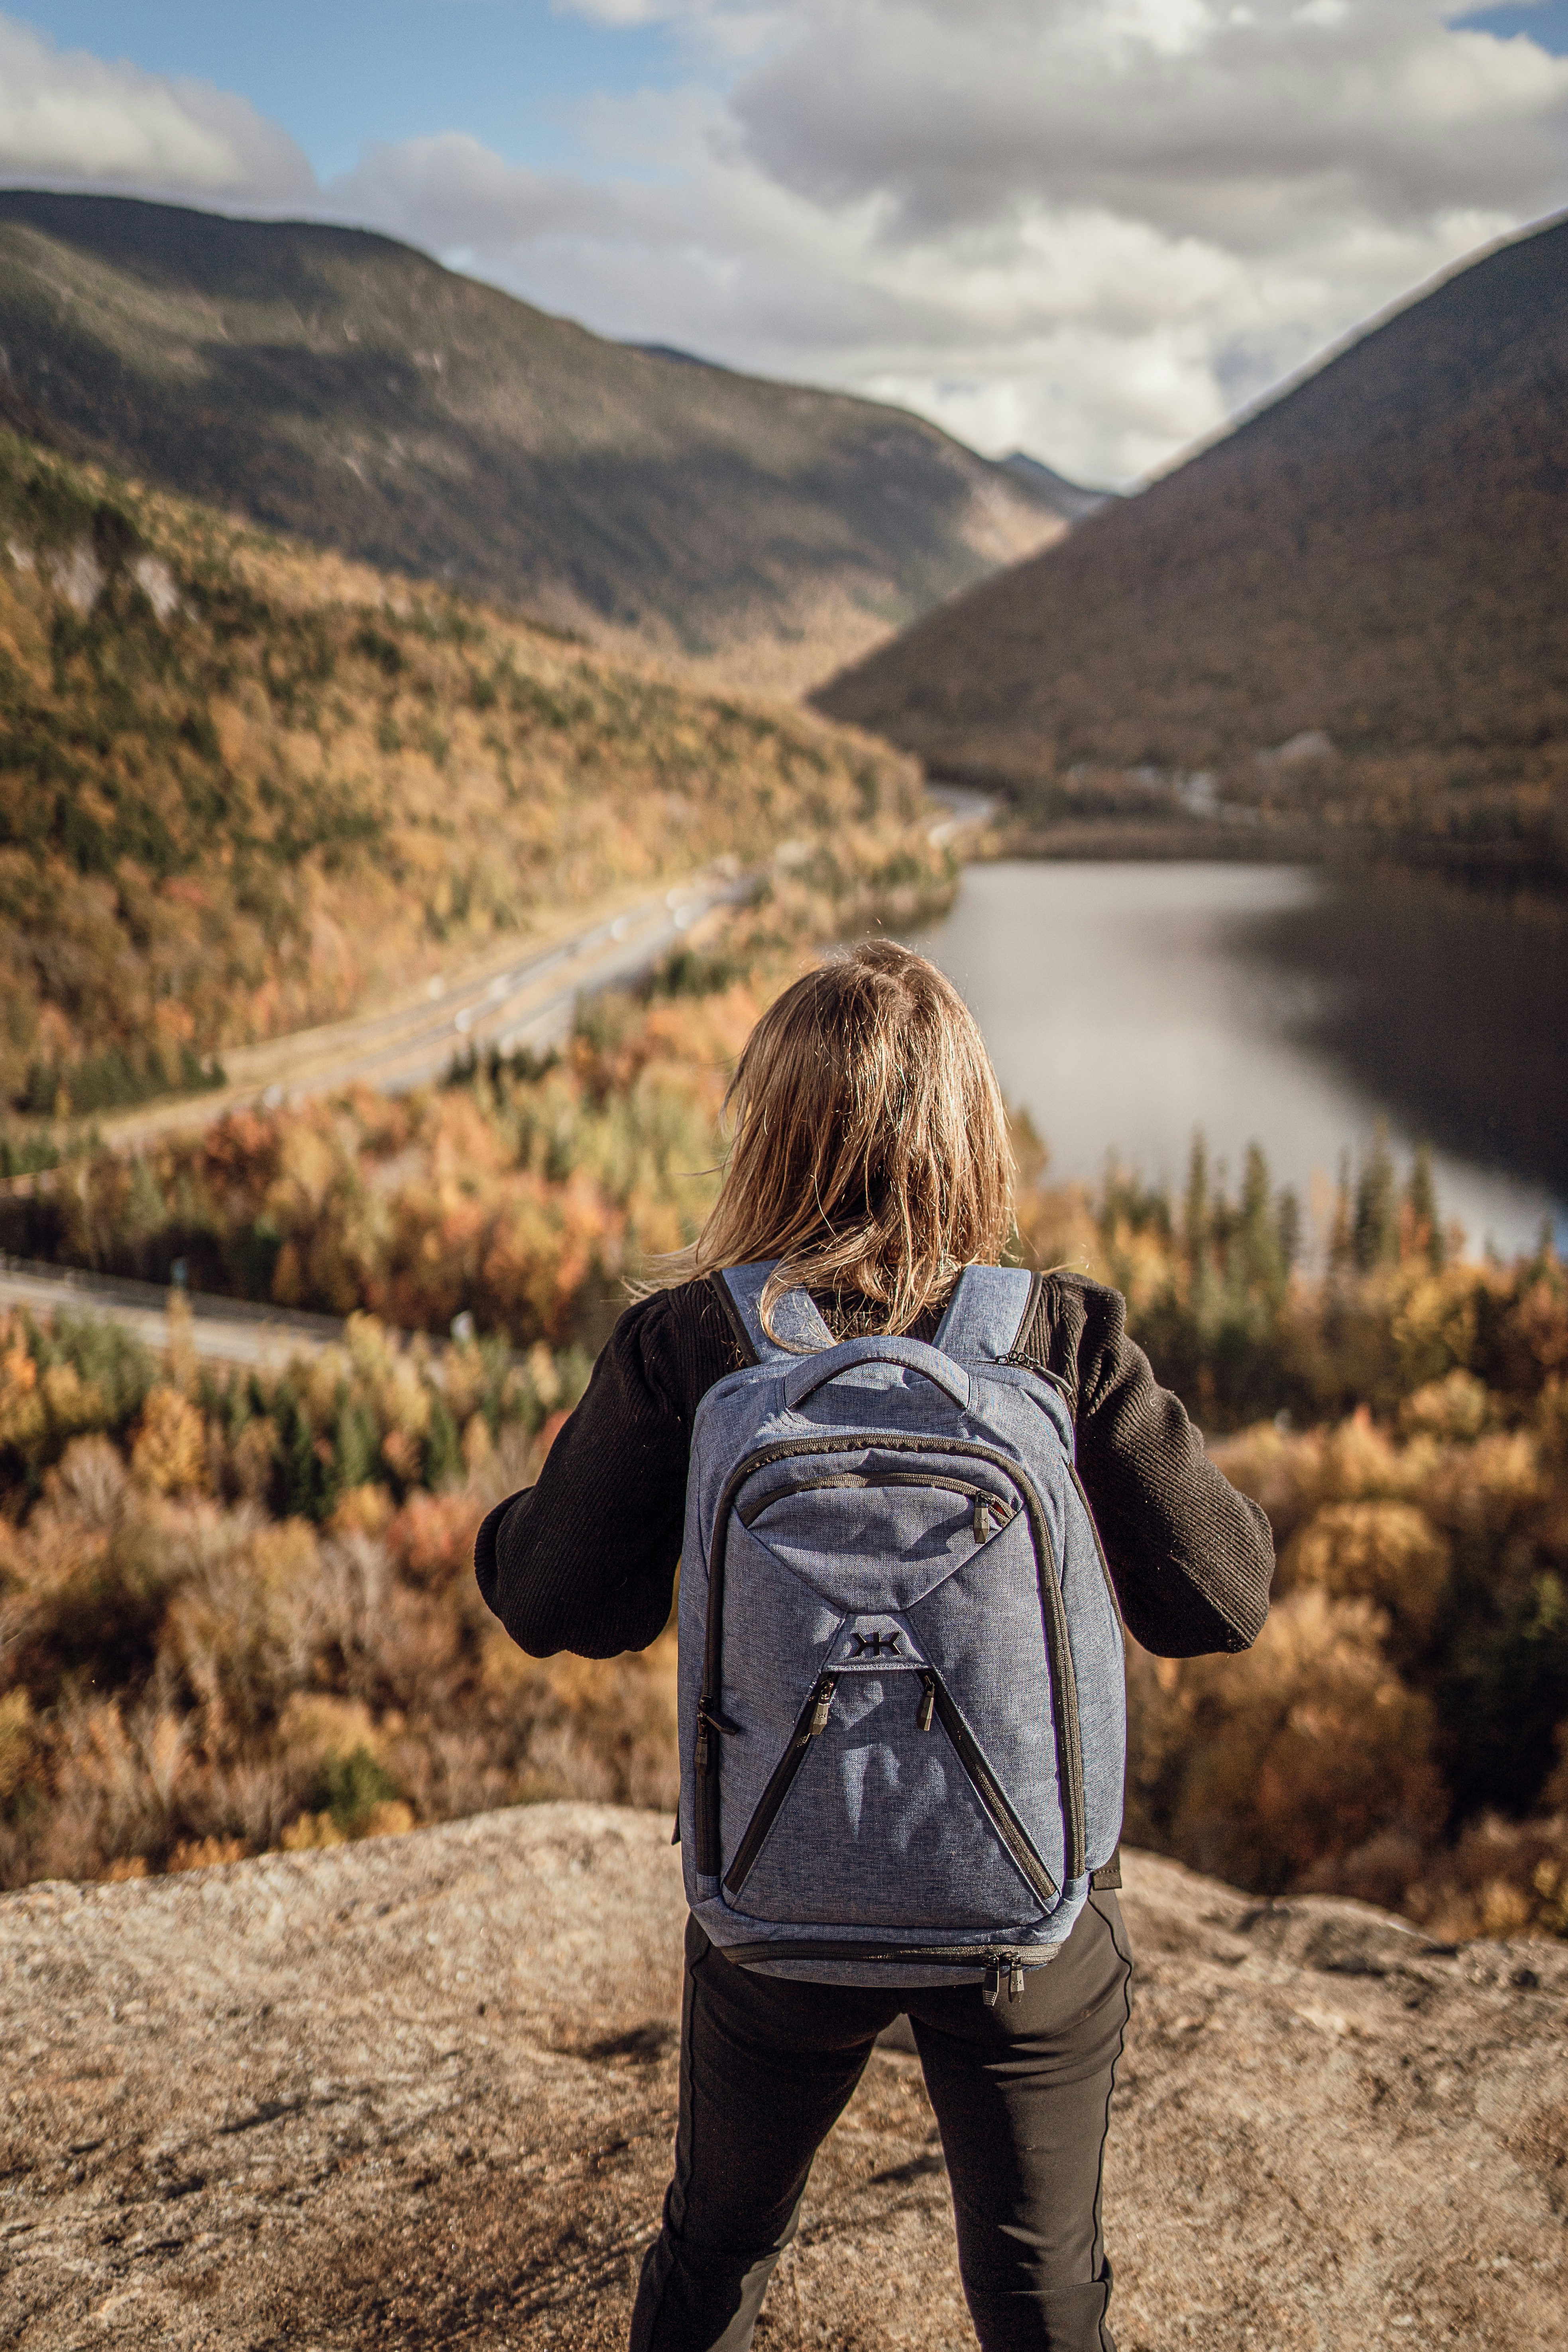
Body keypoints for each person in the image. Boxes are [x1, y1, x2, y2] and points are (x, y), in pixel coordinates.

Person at [476, 939, 1273, 2352]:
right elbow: (1222, 1601)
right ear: (971, 1132)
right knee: (1042, 2298)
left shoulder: (692, 1347)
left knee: (715, 2254)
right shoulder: (1058, 1338)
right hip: (1020, 1925)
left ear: (767, 1137)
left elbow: (558, 1608)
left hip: (776, 1920)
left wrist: (507, 1530)